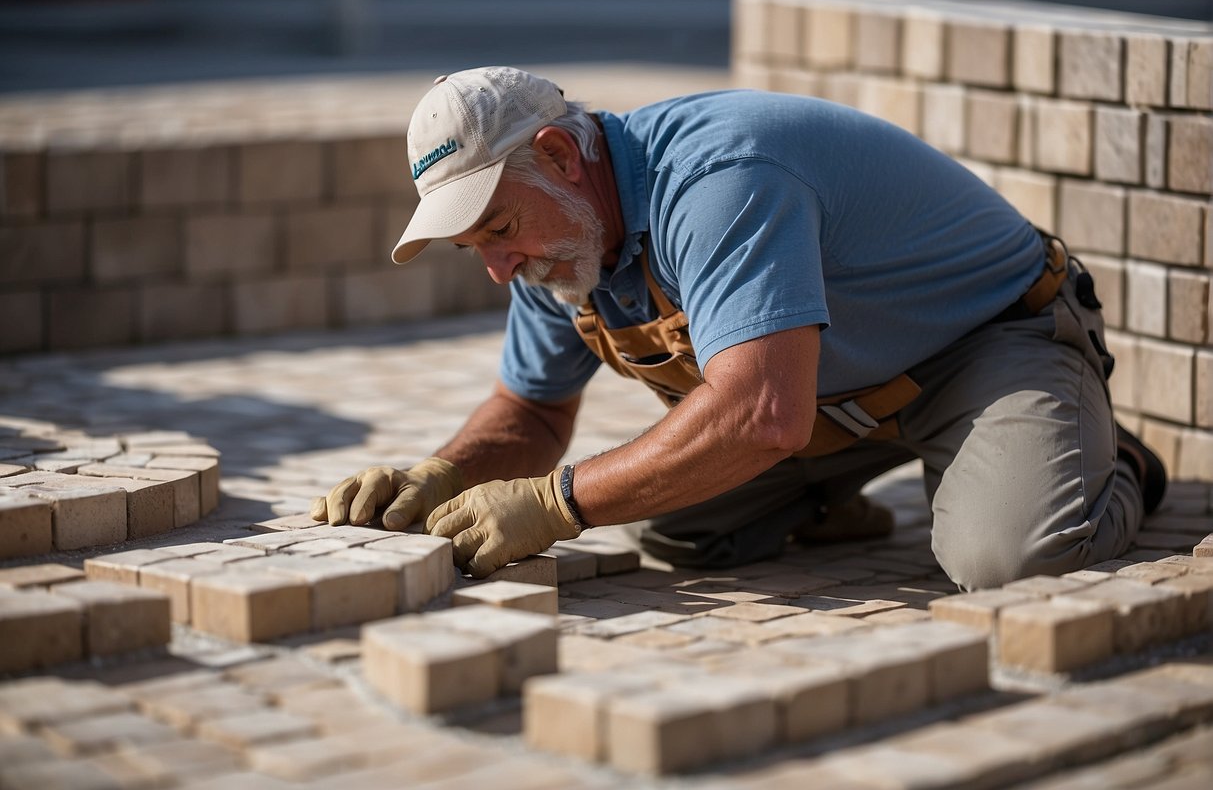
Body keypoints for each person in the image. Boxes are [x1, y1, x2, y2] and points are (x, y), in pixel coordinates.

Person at [311, 66, 1165, 591]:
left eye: (495, 230)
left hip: (988, 347)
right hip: (833, 398)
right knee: (676, 525)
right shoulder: (555, 244)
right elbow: (531, 415)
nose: (497, 266)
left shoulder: (719, 179)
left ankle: (1113, 462)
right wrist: (442, 473)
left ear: (561, 156)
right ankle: (834, 497)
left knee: (1009, 563)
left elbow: (760, 414)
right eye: (472, 247)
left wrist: (554, 502)